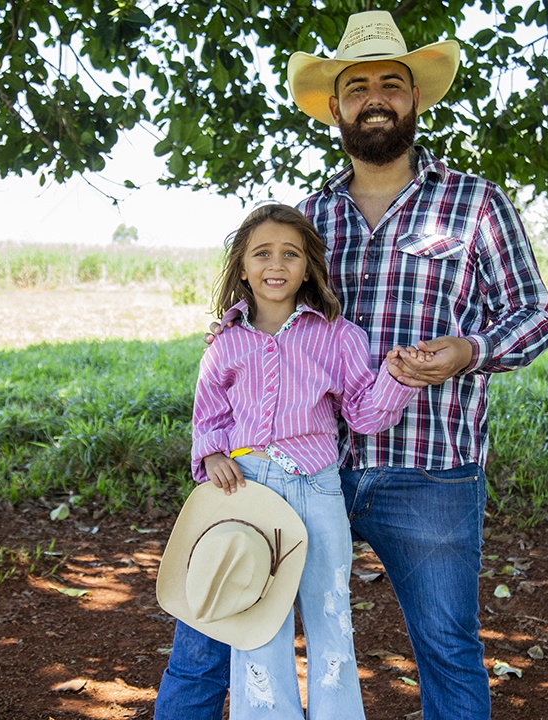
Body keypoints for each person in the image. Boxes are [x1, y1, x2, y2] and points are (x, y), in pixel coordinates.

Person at [155, 11, 548, 720]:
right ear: (337, 107)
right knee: (218, 620)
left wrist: (467, 352)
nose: (376, 96)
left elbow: (535, 316)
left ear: (414, 99)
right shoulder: (306, 221)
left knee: (446, 644)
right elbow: (249, 331)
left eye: (392, 84)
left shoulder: (474, 203)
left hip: (428, 464)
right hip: (294, 464)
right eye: (359, 85)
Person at [168, 202, 421, 719]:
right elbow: (208, 412)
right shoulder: (226, 342)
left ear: (308, 266)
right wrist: (211, 454)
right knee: (256, 620)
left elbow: (364, 415)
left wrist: (395, 379)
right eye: (262, 253)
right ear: (242, 266)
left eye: (291, 253)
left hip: (317, 488)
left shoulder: (338, 335)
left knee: (332, 618)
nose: (275, 264)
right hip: (248, 492)